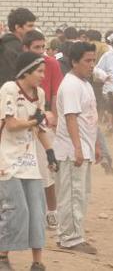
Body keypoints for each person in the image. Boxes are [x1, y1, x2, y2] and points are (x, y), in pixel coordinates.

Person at [0, 53, 57, 271]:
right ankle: (3, 257)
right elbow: (12, 123)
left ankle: (37, 262)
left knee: (36, 209)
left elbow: (40, 129)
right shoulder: (9, 89)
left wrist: (50, 152)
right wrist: (35, 121)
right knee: (16, 209)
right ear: (26, 72)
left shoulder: (40, 94)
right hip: (7, 159)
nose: (43, 76)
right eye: (40, 71)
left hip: (30, 160)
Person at [51, 42, 99, 254]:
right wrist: (77, 148)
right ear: (74, 62)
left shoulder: (85, 84)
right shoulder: (71, 84)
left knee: (80, 194)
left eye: (93, 60)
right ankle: (70, 238)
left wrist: (94, 145)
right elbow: (70, 117)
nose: (92, 65)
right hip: (71, 150)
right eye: (87, 61)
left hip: (83, 148)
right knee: (72, 194)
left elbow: (89, 118)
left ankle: (71, 235)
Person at [23, 30, 63, 230]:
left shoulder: (52, 64)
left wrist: (53, 117)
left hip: (44, 122)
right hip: (22, 125)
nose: (41, 52)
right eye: (36, 47)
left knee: (47, 169)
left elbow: (56, 93)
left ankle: (52, 212)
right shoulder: (21, 66)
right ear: (26, 48)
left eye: (43, 47)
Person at [0, 8, 36, 88]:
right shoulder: (17, 50)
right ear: (18, 27)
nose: (33, 29)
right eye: (30, 26)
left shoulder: (5, 44)